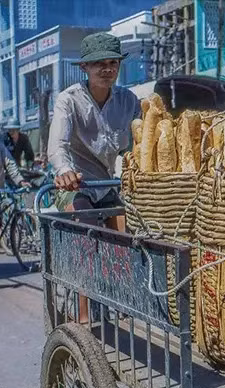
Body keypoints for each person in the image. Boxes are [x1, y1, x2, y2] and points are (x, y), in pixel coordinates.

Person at [48, 32, 141, 323]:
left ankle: (125, 304)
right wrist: (64, 171)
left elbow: (138, 147)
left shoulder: (129, 101)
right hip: (76, 183)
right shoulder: (69, 100)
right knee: (86, 240)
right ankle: (83, 315)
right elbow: (58, 146)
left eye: (113, 63)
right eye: (99, 63)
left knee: (125, 238)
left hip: (107, 182)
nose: (107, 69)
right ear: (84, 67)